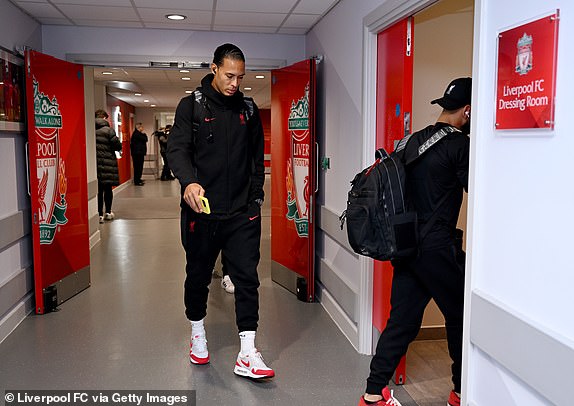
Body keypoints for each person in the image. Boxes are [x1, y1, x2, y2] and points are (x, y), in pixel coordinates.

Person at [358, 77, 471, 406]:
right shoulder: (459, 145)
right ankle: (461, 392)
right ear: (466, 111)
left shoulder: (410, 141)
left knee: (402, 321)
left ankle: (372, 392)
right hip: (438, 248)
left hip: (406, 246)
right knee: (461, 316)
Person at [167, 43, 273, 379]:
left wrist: (255, 196)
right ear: (214, 68)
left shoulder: (248, 109)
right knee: (197, 276)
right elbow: (178, 149)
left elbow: (257, 158)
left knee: (247, 279)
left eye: (240, 77)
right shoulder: (191, 107)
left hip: (242, 213)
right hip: (203, 212)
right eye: (229, 75)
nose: (235, 83)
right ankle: (197, 332)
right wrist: (188, 182)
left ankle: (248, 350)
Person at [95, 109, 122, 223]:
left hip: (96, 163)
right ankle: (108, 212)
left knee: (99, 190)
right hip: (108, 163)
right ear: (105, 118)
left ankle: (99, 214)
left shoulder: (90, 129)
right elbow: (117, 146)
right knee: (108, 189)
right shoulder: (109, 131)